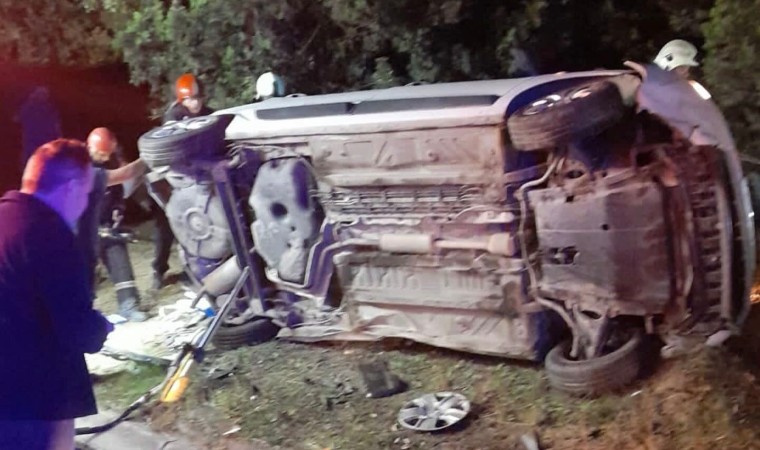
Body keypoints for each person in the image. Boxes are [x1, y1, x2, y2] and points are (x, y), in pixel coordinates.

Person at [0, 139, 113, 450]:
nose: (84, 204)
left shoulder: (5, 217)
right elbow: (76, 327)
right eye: (86, 194)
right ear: (72, 187)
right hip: (32, 396)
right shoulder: (49, 233)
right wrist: (101, 328)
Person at [150, 74, 215, 290]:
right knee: (168, 223)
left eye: (198, 98)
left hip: (196, 177)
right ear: (181, 100)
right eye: (190, 99)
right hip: (171, 178)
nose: (195, 103)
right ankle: (158, 269)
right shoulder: (174, 116)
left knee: (201, 222)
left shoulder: (208, 113)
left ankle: (192, 269)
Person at [83, 127, 147, 322]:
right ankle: (83, 315)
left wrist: (118, 208)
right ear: (89, 147)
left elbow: (117, 190)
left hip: (104, 221)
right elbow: (125, 174)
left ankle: (129, 304)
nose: (104, 158)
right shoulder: (81, 167)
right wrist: (148, 157)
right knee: (84, 271)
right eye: (100, 154)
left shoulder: (108, 163)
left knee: (117, 253)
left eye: (107, 154)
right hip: (81, 227)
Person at [14, 86, 62, 170]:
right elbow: (16, 119)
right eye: (41, 93)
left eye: (45, 93)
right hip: (32, 141)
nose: (43, 95)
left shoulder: (49, 108)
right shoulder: (29, 107)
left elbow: (56, 125)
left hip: (45, 141)